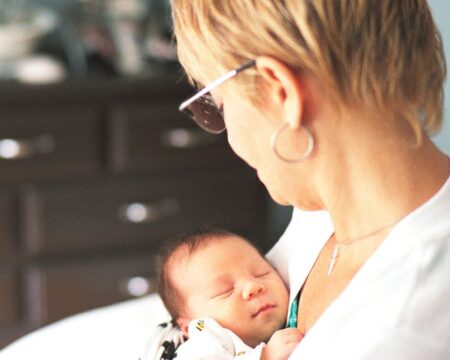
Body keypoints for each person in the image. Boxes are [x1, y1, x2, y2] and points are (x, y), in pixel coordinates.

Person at [171, 0, 450, 358]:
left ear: (281, 92)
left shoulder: (398, 332)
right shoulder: (326, 206)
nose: (232, 140)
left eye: (219, 106)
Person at [155, 228, 302, 359]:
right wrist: (265, 356)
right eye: (225, 290)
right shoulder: (202, 340)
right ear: (189, 326)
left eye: (261, 273)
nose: (253, 286)